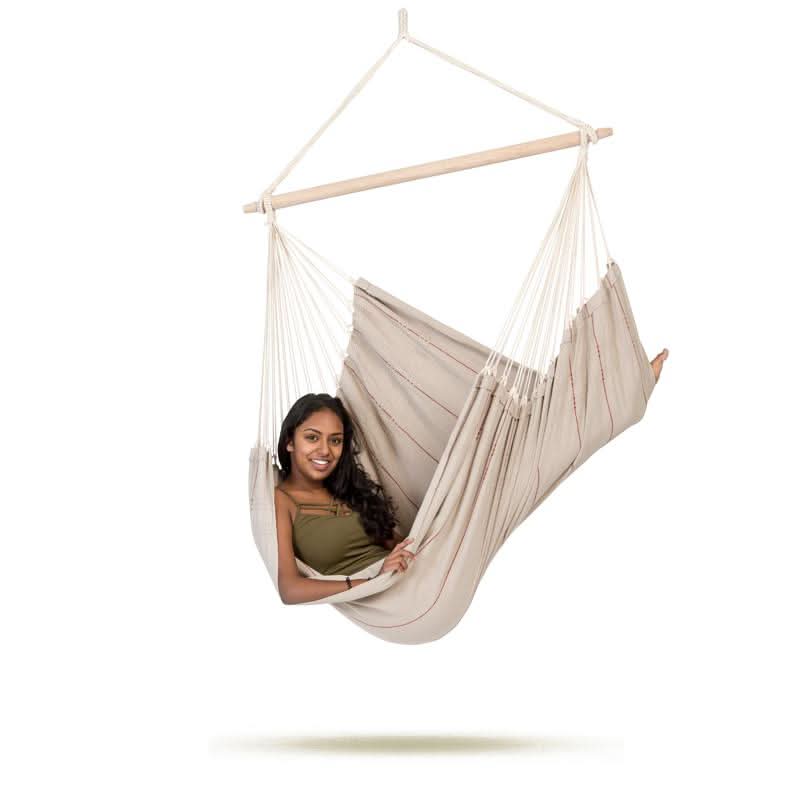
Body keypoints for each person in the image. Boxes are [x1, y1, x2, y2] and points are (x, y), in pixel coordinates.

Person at [274, 349, 669, 605]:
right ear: (289, 441)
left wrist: (400, 555)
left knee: (513, 470)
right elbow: (290, 589)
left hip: (424, 570)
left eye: (336, 440)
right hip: (392, 596)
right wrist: (365, 583)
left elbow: (398, 548)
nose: (325, 451)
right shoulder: (280, 500)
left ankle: (605, 398)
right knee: (503, 462)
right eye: (312, 438)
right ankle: (616, 398)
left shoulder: (348, 491)